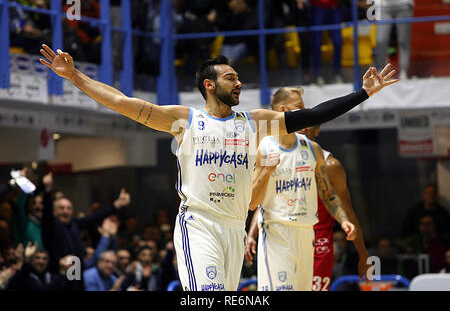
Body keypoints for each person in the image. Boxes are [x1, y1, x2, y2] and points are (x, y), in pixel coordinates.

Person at [39, 43, 397, 291]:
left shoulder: (255, 122)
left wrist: (363, 93)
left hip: (234, 228)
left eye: (239, 77)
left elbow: (313, 115)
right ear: (209, 85)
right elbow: (122, 101)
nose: (238, 81)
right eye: (230, 77)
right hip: (200, 224)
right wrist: (75, 78)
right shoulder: (184, 120)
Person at [244, 87, 356, 291]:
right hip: (277, 232)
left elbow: (328, 194)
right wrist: (266, 172)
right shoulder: (263, 148)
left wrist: (344, 220)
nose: (307, 113)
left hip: (306, 233)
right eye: (300, 107)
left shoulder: (313, 149)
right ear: (284, 110)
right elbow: (252, 202)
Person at [300, 125, 369, 290]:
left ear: (317, 131)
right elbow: (263, 206)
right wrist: (252, 234)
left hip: (319, 240)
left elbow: (348, 210)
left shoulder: (330, 165)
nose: (303, 126)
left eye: (309, 123)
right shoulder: (278, 156)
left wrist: (363, 254)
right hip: (285, 235)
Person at [40, 172, 130, 277]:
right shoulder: (51, 225)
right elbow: (46, 213)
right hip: (59, 274)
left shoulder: (74, 224)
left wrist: (116, 205)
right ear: (54, 211)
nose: (65, 211)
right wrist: (47, 191)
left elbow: (95, 217)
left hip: (76, 274)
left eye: (69, 208)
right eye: (61, 208)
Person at [296, 0, 343, 85]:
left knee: (338, 42)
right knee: (316, 43)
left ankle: (337, 74)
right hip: (317, 7)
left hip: (333, 6)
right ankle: (317, 75)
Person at [375, 0, 414, 80]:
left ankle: (404, 70)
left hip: (404, 3)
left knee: (403, 40)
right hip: (382, 4)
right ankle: (381, 70)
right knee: (381, 40)